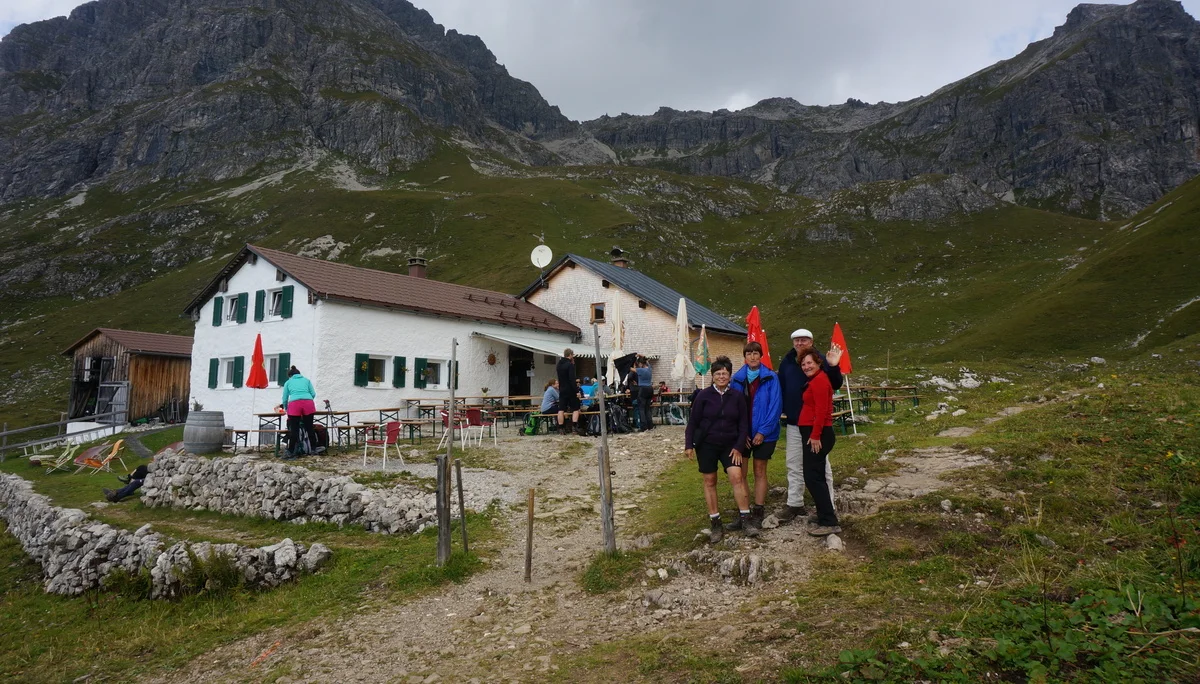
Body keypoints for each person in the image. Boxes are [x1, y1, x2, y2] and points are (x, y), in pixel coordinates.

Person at [684, 355, 758, 542]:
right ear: (713, 375)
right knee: (710, 480)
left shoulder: (738, 397)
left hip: (731, 445)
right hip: (707, 445)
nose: (722, 377)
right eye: (718, 373)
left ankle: (745, 519)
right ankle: (715, 523)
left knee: (737, 476)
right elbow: (693, 422)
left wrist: (739, 447)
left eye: (725, 373)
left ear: (730, 376)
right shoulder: (703, 396)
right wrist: (688, 445)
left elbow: (743, 425)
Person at [776, 328, 844, 522]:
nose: (800, 343)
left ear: (811, 341)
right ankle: (795, 503)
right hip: (794, 422)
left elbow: (835, 383)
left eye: (804, 340)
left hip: (816, 426)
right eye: (796, 340)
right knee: (794, 464)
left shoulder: (821, 361)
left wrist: (833, 366)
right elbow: (781, 387)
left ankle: (827, 506)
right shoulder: (787, 362)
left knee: (821, 467)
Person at [729, 341, 782, 530]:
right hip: (742, 434)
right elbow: (732, 409)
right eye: (749, 353)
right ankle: (744, 512)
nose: (752, 356)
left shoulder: (771, 378)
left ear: (761, 356)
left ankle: (759, 510)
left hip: (765, 434)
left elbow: (775, 406)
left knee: (760, 471)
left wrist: (762, 432)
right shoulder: (736, 379)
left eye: (756, 353)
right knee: (740, 474)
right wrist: (741, 434)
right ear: (745, 356)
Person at [796, 348, 841, 536]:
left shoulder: (821, 380)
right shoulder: (815, 379)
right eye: (803, 364)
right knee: (817, 476)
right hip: (814, 432)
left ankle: (829, 521)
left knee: (813, 478)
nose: (806, 366)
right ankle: (824, 514)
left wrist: (815, 435)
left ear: (818, 362)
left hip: (817, 434)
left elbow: (822, 411)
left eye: (809, 362)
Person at [281, 365, 320, 459]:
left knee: (294, 429)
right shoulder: (307, 380)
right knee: (309, 427)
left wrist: (286, 408)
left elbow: (285, 398)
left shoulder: (288, 382)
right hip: (308, 403)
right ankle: (314, 449)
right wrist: (307, 399)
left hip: (294, 404)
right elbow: (313, 394)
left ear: (290, 376)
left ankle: (290, 451)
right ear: (299, 374)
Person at [555, 349, 582, 435]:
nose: (573, 356)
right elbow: (572, 379)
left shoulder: (559, 365)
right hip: (570, 390)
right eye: (572, 355)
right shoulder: (570, 365)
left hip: (562, 389)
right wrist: (577, 391)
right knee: (576, 408)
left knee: (561, 409)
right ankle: (574, 427)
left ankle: (561, 428)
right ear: (570, 355)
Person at [636, 358, 654, 431]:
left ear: (641, 363)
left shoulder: (641, 370)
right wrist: (641, 356)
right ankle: (650, 425)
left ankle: (643, 426)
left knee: (641, 409)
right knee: (647, 408)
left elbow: (631, 369)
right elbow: (646, 361)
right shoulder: (649, 369)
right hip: (650, 389)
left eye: (639, 364)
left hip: (643, 389)